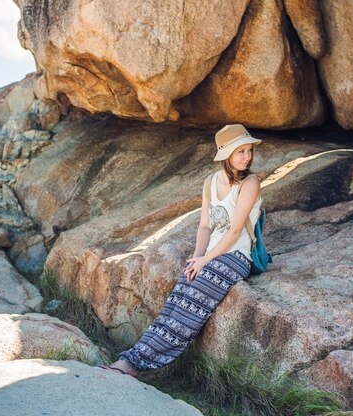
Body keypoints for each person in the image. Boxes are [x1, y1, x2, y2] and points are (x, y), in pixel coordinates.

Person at [99, 124, 263, 377]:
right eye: (239, 151)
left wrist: (205, 260)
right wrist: (197, 258)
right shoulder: (210, 182)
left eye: (248, 150)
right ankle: (129, 359)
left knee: (188, 313)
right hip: (211, 255)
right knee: (175, 303)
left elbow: (233, 233)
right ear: (226, 155)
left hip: (236, 256)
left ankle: (134, 365)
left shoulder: (250, 183)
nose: (247, 156)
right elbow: (205, 226)